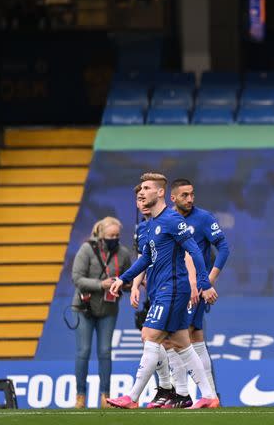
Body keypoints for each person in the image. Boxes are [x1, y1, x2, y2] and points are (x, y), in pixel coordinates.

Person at [106, 172, 220, 409]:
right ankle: (209, 395)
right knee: (181, 343)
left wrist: (203, 282)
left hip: (173, 289)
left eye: (147, 188)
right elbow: (146, 258)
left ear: (160, 192)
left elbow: (195, 252)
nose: (142, 192)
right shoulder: (150, 226)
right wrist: (125, 278)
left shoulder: (172, 220)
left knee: (149, 335)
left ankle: (133, 397)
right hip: (160, 291)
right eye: (140, 190)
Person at [154, 178, 230, 407]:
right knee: (193, 337)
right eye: (185, 195)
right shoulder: (167, 218)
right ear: (173, 198)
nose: (190, 199)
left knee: (178, 336)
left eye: (192, 194)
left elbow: (224, 248)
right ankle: (206, 395)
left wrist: (207, 282)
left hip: (193, 290)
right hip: (175, 287)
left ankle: (184, 394)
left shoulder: (204, 218)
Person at [71, 216, 134, 408]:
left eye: (117, 235)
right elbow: (77, 278)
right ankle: (80, 395)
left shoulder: (123, 253)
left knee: (105, 352)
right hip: (84, 308)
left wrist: (126, 284)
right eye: (110, 235)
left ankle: (105, 396)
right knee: (84, 351)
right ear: (101, 235)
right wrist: (101, 284)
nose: (114, 238)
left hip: (108, 309)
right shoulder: (86, 249)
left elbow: (129, 279)